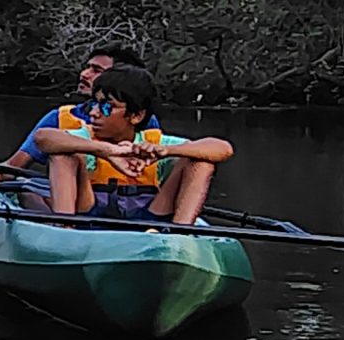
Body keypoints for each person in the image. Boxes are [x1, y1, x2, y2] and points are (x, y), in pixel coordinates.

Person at [30, 64, 232, 225]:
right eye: (95, 104)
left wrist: (166, 152)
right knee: (65, 153)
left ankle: (181, 237)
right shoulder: (84, 136)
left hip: (149, 216)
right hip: (88, 213)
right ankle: (65, 228)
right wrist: (108, 151)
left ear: (136, 116)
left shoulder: (155, 143)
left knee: (200, 160)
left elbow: (222, 148)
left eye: (107, 107)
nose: (94, 113)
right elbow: (43, 138)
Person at [0, 46, 139, 187]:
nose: (84, 74)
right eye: (87, 67)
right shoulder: (59, 118)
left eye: (96, 70)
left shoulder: (138, 119)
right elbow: (13, 166)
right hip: (76, 204)